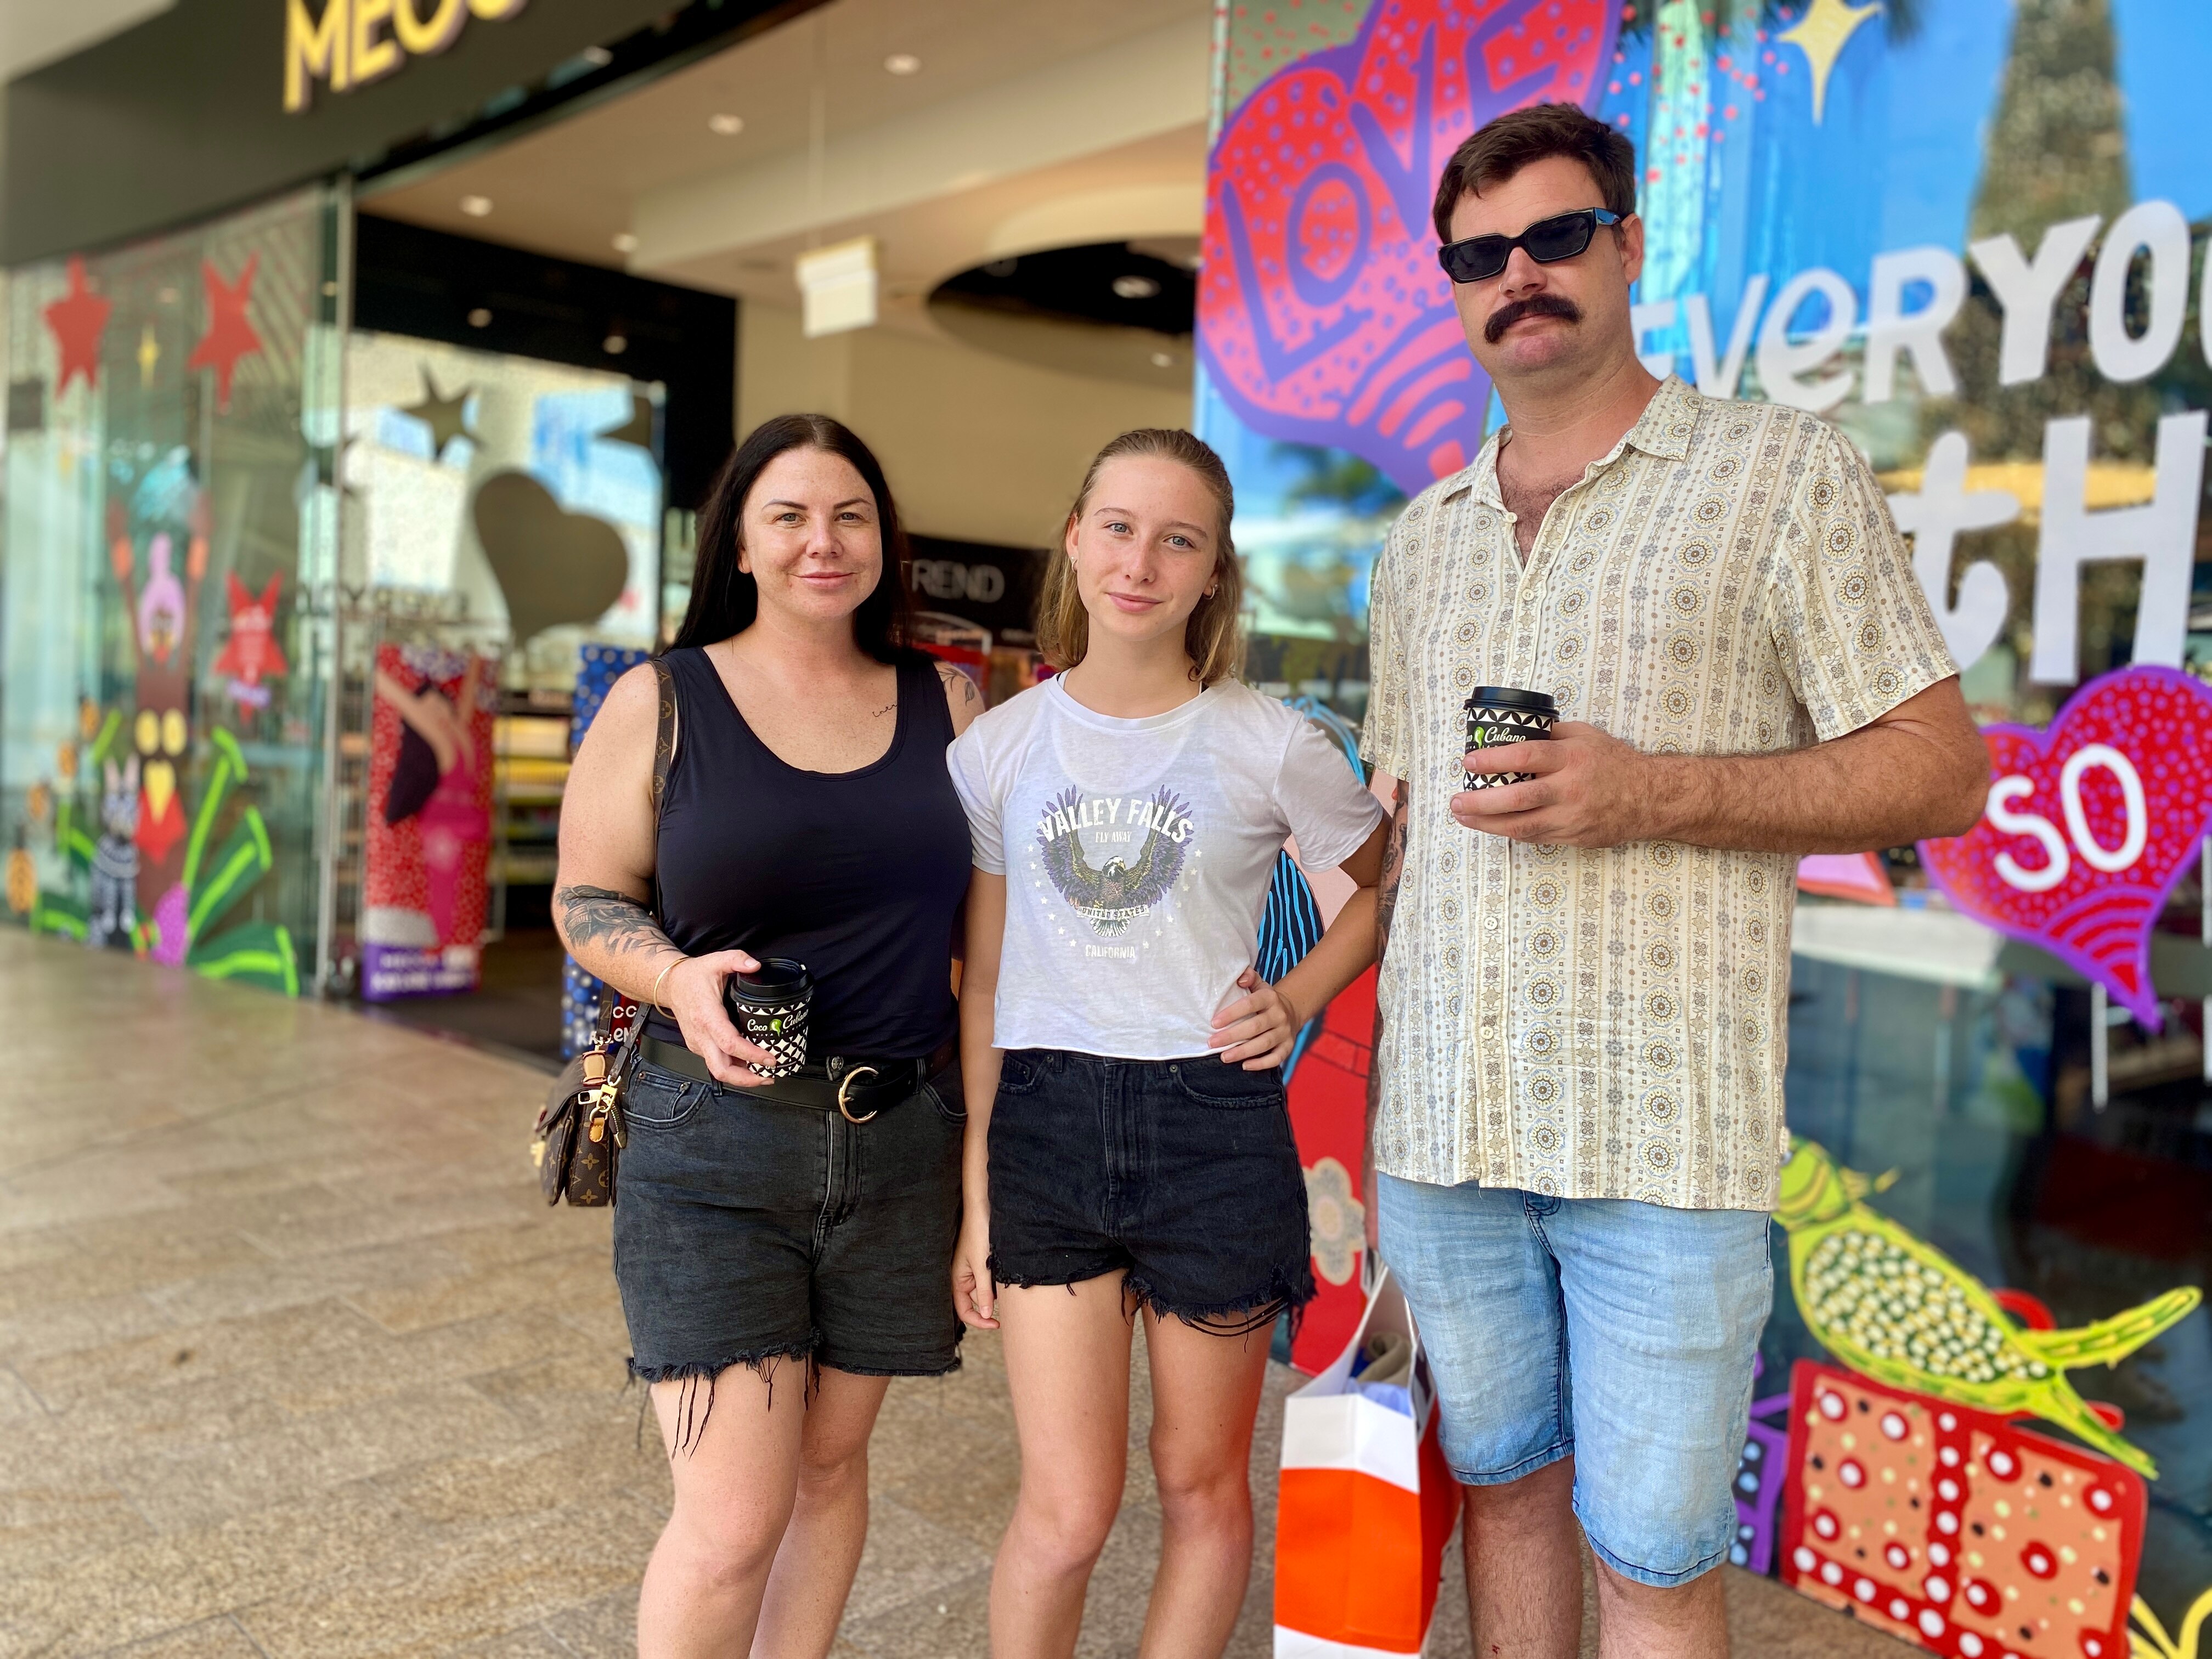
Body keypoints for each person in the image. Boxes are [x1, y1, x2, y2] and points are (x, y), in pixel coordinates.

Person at [1360, 105, 1990, 1658]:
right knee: (1500, 1486)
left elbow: (1942, 769)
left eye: (1558, 235)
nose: (1521, 275)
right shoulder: (1417, 542)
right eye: (1481, 255)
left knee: (1652, 1562)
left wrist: (1655, 789)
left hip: (1664, 1135)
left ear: (1629, 244)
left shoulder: (1779, 477)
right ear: (1454, 289)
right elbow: (1401, 831)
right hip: (1443, 1127)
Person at [946, 428, 1390, 1659]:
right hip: (1041, 1127)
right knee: (1068, 1509)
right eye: (1121, 528)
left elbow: (1381, 888)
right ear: (1078, 540)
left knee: (1201, 1489)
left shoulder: (1272, 742)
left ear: (1213, 574)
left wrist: (1295, 998)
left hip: (1214, 1125)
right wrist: (979, 1196)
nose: (1142, 561)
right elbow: (982, 982)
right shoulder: (996, 751)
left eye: (1178, 539)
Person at [553, 413, 981, 1659]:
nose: (822, 542)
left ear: (883, 539)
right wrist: (678, 979)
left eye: (849, 514)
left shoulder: (946, 701)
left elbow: (1002, 932)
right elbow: (585, 899)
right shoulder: (663, 699)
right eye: (788, 515)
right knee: (734, 1518)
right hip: (713, 1144)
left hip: (898, 1140)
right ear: (739, 539)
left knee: (832, 1473)